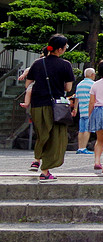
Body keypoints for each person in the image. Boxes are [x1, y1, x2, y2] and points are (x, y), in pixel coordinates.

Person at [23, 35, 76, 181]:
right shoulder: (65, 65)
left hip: (38, 105)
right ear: (59, 49)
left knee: (42, 134)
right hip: (55, 106)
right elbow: (68, 87)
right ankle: (45, 171)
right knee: (56, 137)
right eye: (65, 47)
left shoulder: (37, 63)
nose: (65, 49)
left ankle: (37, 159)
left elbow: (28, 84)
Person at [75, 67, 96, 154]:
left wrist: (75, 109)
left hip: (81, 110)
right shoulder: (93, 84)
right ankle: (84, 148)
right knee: (87, 130)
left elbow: (76, 98)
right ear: (92, 75)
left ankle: (80, 148)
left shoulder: (79, 84)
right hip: (89, 110)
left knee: (81, 130)